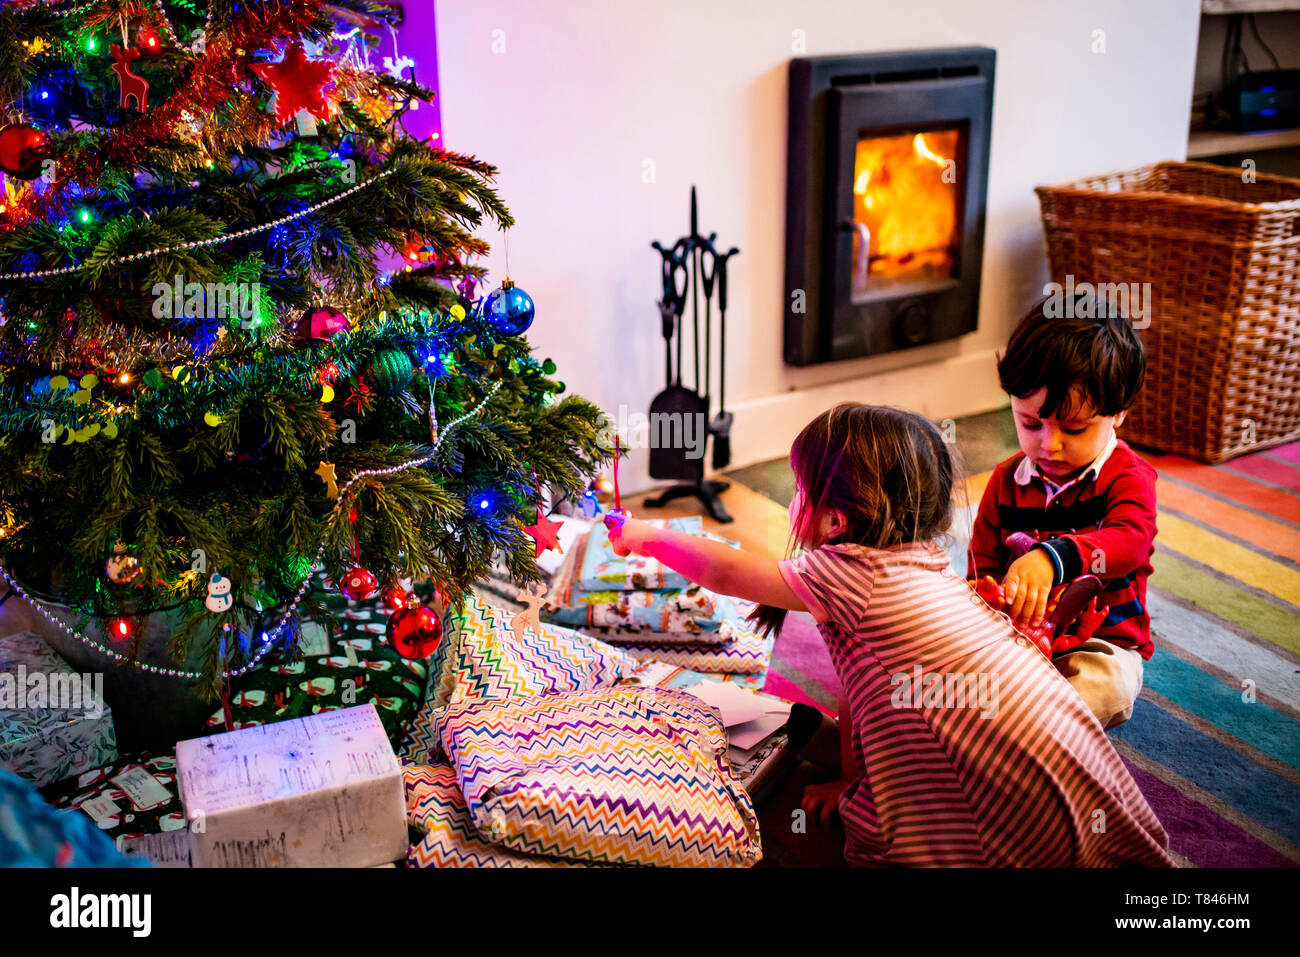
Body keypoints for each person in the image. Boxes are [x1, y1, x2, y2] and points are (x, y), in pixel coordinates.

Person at [605, 403, 1172, 866]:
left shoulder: (850, 573)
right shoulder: (924, 562)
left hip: (1013, 815)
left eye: (799, 489)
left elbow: (728, 572)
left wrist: (643, 534)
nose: (793, 501)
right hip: (1074, 778)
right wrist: (852, 783)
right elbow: (865, 696)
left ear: (837, 521)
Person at [971, 294, 1155, 730]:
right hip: (1012, 643)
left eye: (1073, 428)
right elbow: (981, 564)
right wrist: (987, 601)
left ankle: (1031, 730)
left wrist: (1056, 559)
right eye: (1030, 423)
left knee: (1105, 685)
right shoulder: (1005, 480)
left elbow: (1129, 542)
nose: (1048, 444)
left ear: (1119, 412)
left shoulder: (1127, 477)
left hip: (1098, 645)